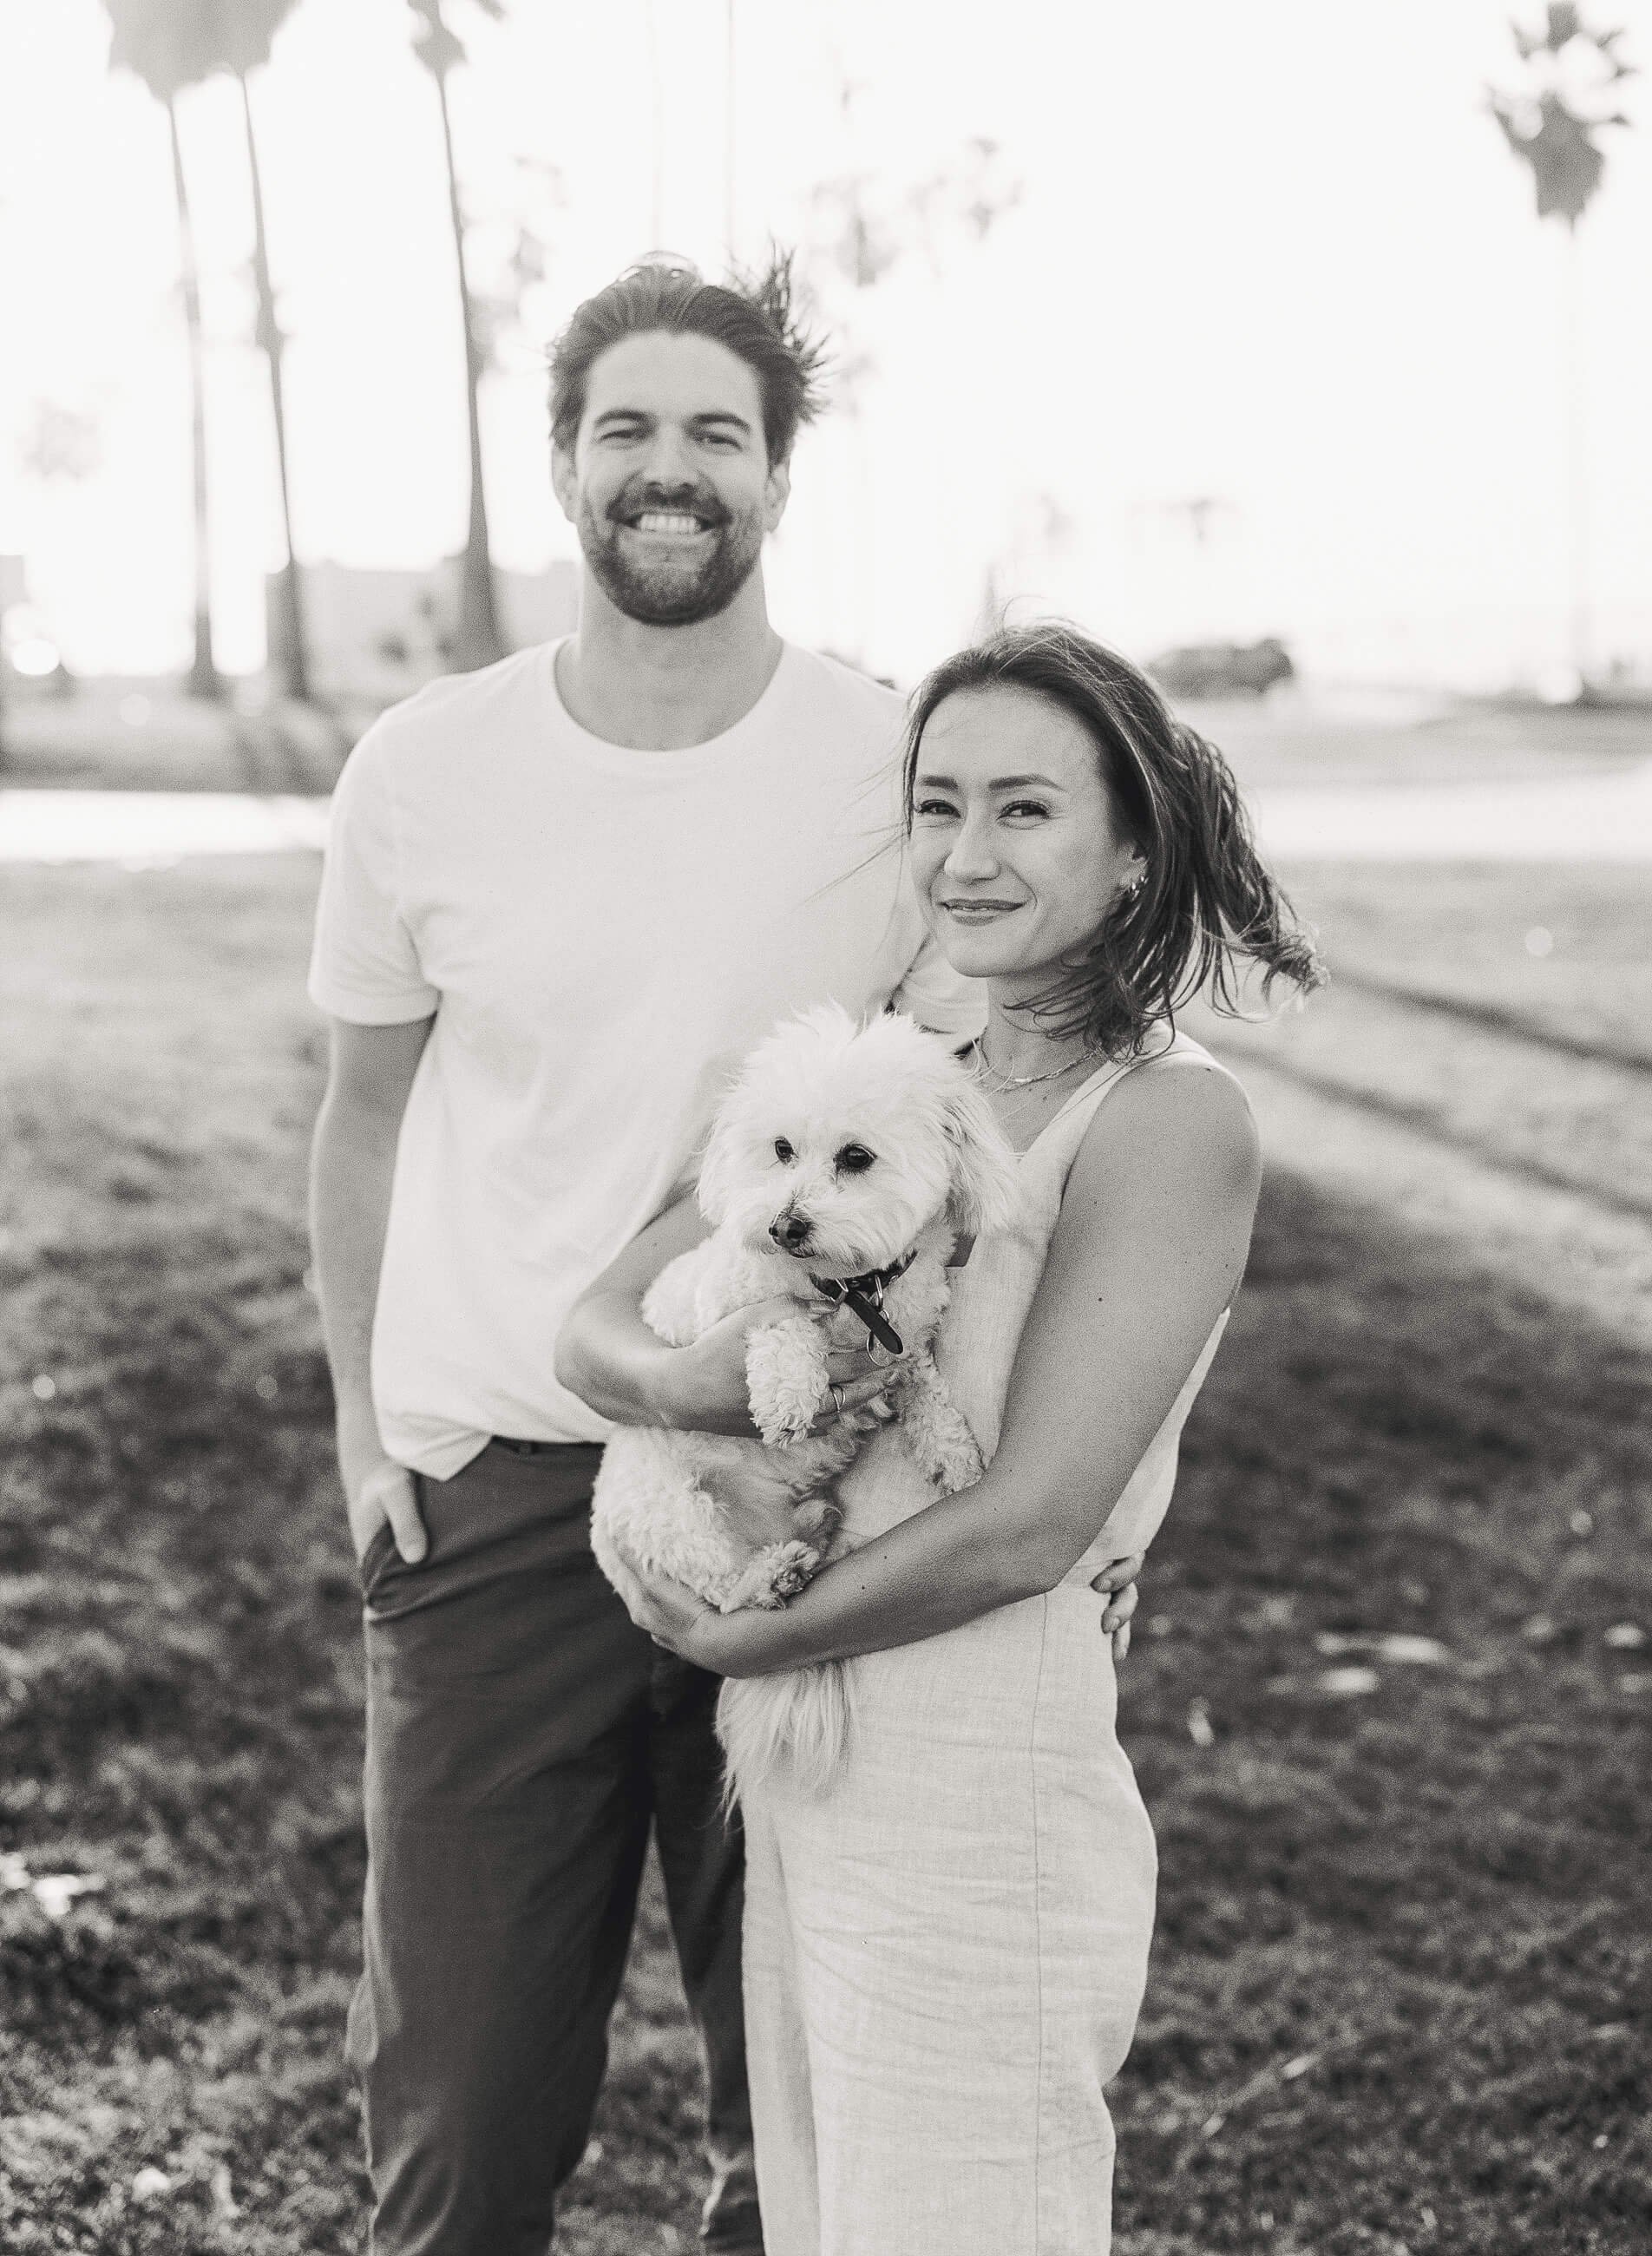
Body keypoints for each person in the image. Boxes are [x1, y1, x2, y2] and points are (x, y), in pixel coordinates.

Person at [307, 258, 1141, 2256]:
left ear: (777, 472)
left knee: (812, 2100)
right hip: (493, 1492)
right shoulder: (424, 768)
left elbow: (979, 1119)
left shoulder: (885, 770)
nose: (667, 472)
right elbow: (359, 1116)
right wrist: (359, 1433)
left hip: (812, 1494)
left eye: (713, 434)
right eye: (626, 430)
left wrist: (1037, 1496)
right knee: (469, 2113)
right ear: (563, 462)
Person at [568, 620, 1321, 2254]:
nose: (966, 857)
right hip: (808, 1762)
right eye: (938, 805)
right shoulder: (892, 1074)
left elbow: (1033, 1520)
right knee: (830, 2213)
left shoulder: (1172, 1119)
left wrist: (734, 1630)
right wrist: (687, 1395)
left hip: (983, 1764)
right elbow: (600, 1324)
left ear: (1131, 852)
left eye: (1027, 810)